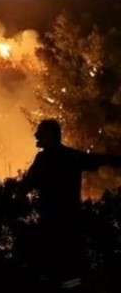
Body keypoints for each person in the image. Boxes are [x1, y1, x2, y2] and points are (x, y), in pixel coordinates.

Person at [24, 119, 121, 291]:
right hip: (70, 224)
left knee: (47, 273)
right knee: (70, 275)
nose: (36, 135)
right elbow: (98, 160)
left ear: (49, 135)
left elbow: (24, 186)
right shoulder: (72, 157)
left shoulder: (43, 159)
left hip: (49, 226)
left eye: (40, 132)